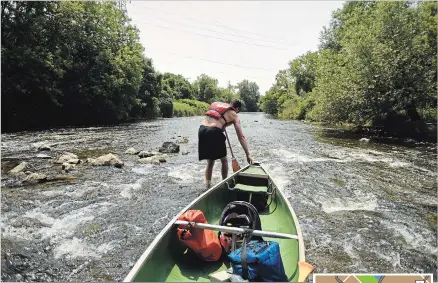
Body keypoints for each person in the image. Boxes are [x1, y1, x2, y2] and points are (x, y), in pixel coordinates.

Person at [198, 99, 253, 189]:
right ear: (238, 109)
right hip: (214, 131)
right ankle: (224, 183)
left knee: (210, 162)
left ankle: (207, 186)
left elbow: (216, 121)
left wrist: (223, 126)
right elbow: (241, 136)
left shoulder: (219, 106)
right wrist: (248, 154)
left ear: (231, 104)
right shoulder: (234, 114)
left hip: (202, 130)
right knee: (224, 160)